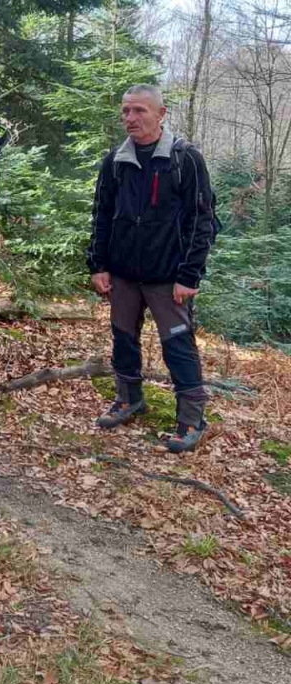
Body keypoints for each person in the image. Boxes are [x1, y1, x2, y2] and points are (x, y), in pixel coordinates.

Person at [88, 84, 218, 453]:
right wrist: (98, 264)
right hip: (124, 274)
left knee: (178, 346)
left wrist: (189, 275)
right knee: (123, 339)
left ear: (161, 114)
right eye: (126, 111)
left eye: (140, 111)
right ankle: (129, 399)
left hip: (168, 278)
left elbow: (202, 220)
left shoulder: (185, 159)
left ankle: (191, 419)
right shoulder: (115, 160)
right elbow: (101, 214)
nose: (130, 118)